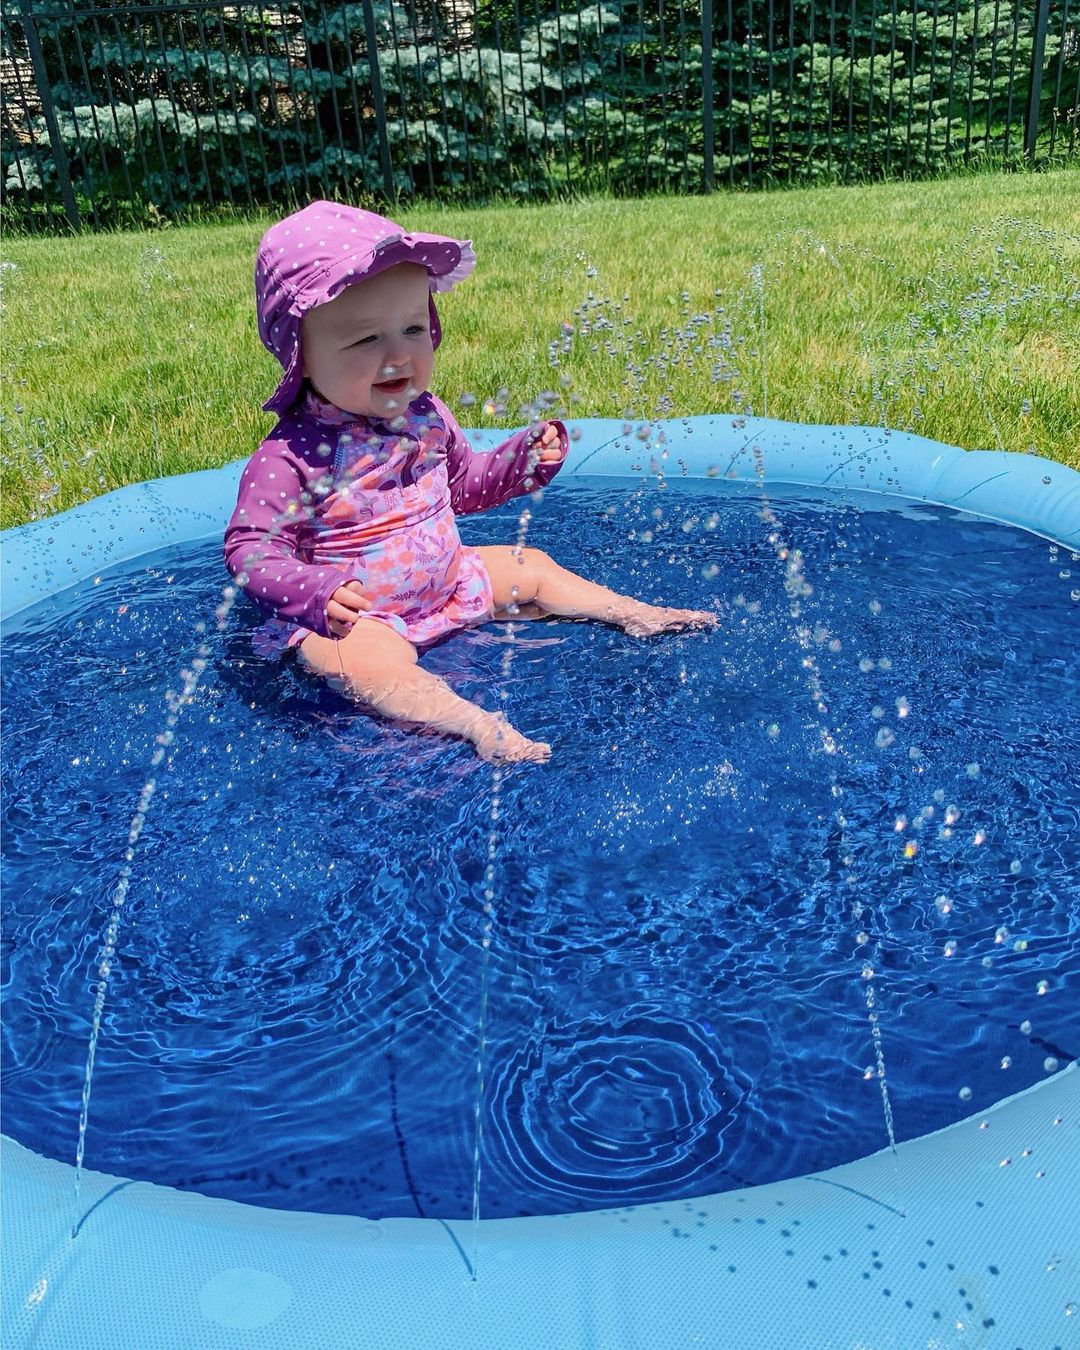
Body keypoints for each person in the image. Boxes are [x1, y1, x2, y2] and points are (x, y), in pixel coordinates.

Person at [224, 201, 715, 763]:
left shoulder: (427, 416)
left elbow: (462, 486)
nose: (397, 354)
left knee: (527, 563)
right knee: (359, 663)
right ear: (300, 356)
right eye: (365, 340)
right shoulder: (290, 455)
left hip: (453, 584)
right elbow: (249, 551)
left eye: (412, 328)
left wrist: (519, 462)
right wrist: (313, 594)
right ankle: (474, 723)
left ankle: (634, 612)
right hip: (360, 619)